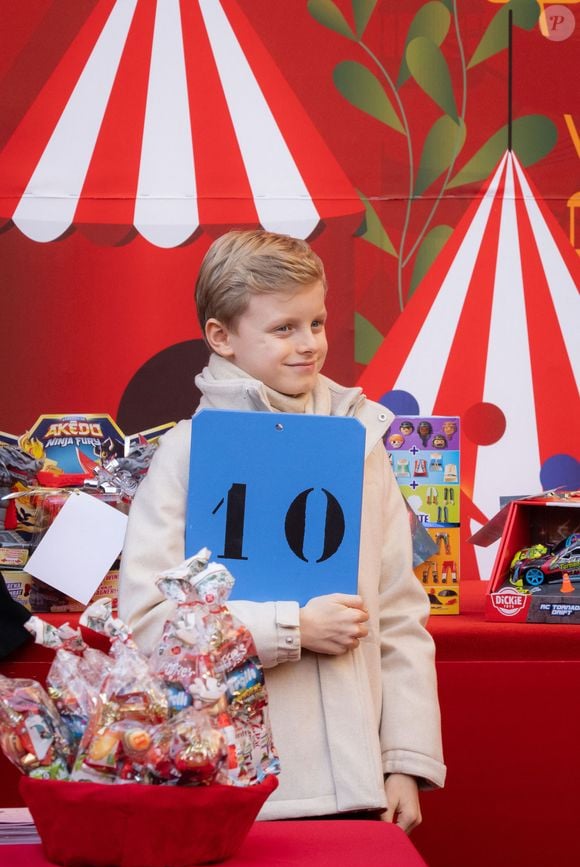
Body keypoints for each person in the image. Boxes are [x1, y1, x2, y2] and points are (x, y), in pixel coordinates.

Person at [118, 230, 446, 831]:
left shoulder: (362, 442)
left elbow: (399, 611)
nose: (308, 345)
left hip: (357, 784)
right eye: (283, 328)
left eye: (316, 323)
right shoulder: (187, 452)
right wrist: (292, 628)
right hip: (234, 789)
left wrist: (402, 762)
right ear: (222, 337)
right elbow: (148, 622)